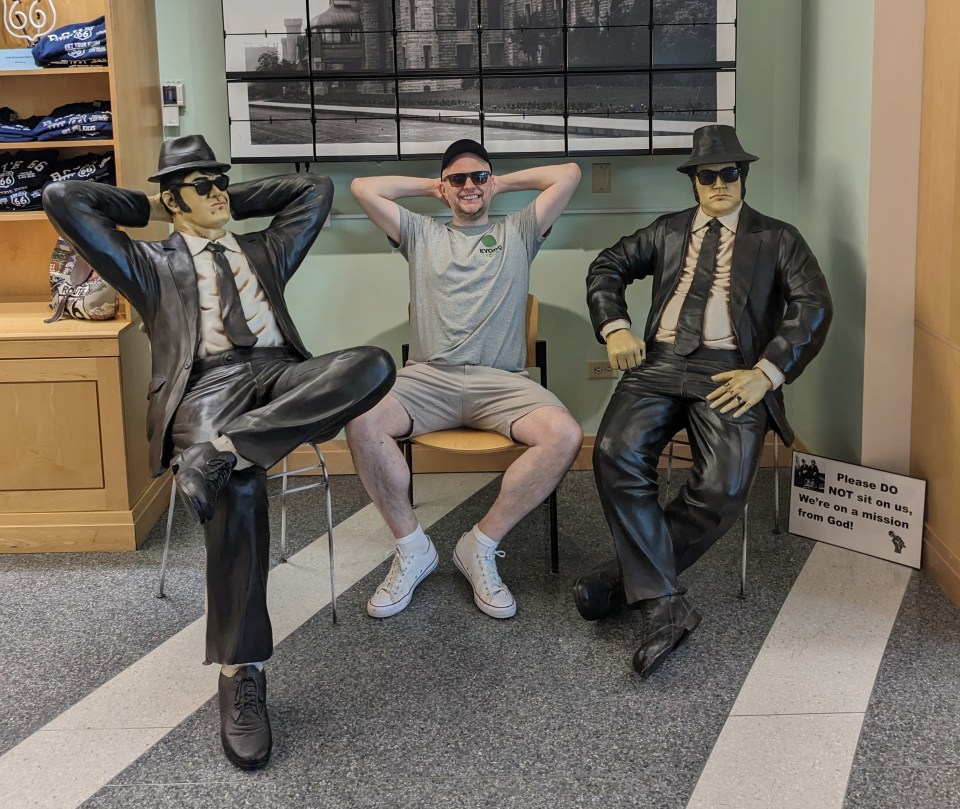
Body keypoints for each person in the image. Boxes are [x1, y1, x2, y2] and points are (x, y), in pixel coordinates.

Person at [42, 135, 395, 770]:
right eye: (201, 187)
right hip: (206, 388)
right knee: (238, 487)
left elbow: (313, 189)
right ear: (172, 200)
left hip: (282, 377)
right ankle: (242, 673)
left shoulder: (264, 249)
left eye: (220, 182)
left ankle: (224, 452)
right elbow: (63, 197)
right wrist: (157, 207)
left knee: (372, 365)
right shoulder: (148, 263)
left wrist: (216, 195)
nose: (218, 193)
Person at [575, 125, 832, 678]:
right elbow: (606, 267)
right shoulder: (667, 232)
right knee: (615, 451)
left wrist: (767, 373)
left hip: (731, 370)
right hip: (659, 363)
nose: (719, 184)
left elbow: (812, 305)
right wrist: (616, 327)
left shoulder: (777, 238)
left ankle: (628, 584)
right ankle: (665, 602)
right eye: (708, 175)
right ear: (694, 182)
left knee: (724, 482)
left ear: (744, 177)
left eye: (729, 173)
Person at [347, 139, 582, 620]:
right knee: (362, 421)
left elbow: (570, 173)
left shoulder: (519, 231)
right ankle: (413, 548)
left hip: (501, 382)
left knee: (565, 436)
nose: (470, 186)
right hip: (428, 378)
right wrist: (435, 186)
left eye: (479, 177)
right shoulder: (419, 233)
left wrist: (498, 182)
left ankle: (479, 545)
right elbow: (362, 187)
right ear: (444, 187)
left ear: (491, 183)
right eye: (458, 179)